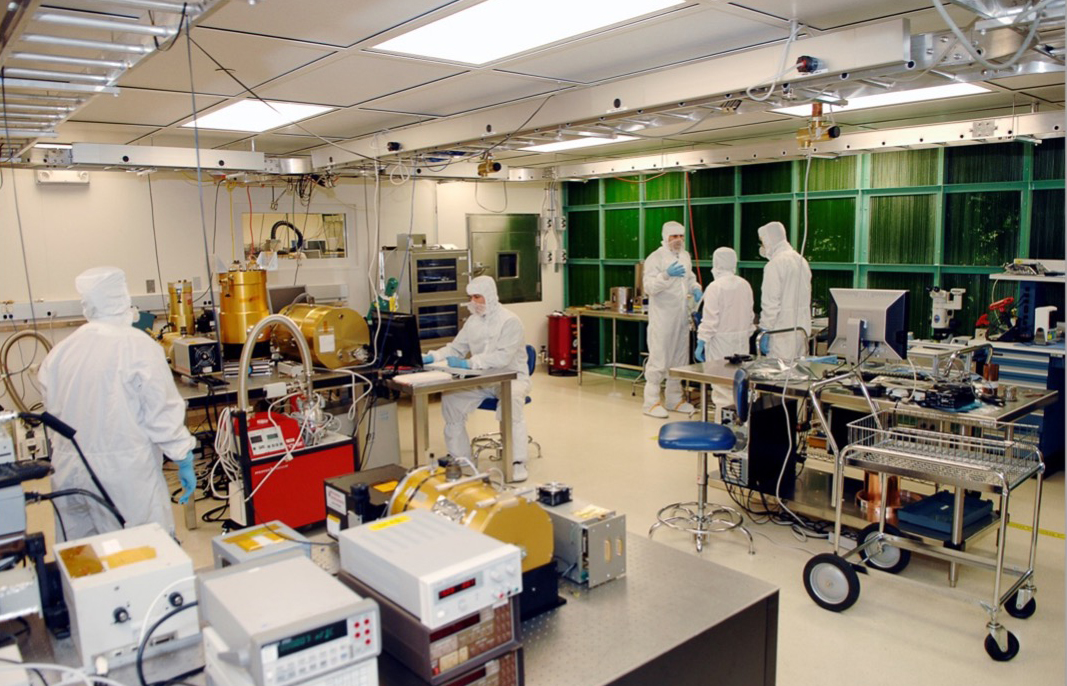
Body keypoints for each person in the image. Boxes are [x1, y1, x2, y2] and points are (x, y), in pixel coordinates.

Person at [38, 267, 196, 541]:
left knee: (82, 563)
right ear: (123, 300)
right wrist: (182, 455)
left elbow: (52, 409)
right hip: (122, 476)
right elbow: (161, 415)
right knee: (139, 556)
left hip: (69, 471)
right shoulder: (138, 346)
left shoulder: (61, 351)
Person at [422, 276, 531, 482]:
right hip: (482, 379)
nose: (473, 302)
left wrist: (470, 363)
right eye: (471, 297)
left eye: (477, 297)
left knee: (512, 401)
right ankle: (461, 457)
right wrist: (433, 355)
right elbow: (456, 348)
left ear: (489, 296)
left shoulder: (510, 321)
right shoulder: (473, 322)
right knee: (452, 398)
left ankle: (517, 462)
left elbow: (502, 358)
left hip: (511, 378)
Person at [642, 220, 702, 418]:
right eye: (674, 236)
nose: (678, 240)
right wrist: (666, 276)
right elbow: (649, 287)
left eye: (681, 236)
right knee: (659, 358)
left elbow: (690, 277)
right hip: (663, 318)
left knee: (679, 359)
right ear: (665, 237)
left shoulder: (684, 256)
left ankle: (674, 399)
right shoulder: (655, 258)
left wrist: (695, 288)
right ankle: (650, 402)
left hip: (681, 317)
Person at [694, 247, 754, 422]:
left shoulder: (715, 287)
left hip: (721, 344)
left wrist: (701, 341)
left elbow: (710, 320)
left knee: (721, 390)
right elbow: (750, 316)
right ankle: (741, 429)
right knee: (740, 387)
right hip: (742, 343)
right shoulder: (745, 284)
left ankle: (724, 431)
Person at [757, 221, 812, 361]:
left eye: (763, 242)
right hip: (801, 333)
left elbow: (770, 303)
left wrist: (765, 329)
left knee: (780, 378)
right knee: (799, 376)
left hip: (781, 333)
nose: (762, 246)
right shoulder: (801, 261)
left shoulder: (774, 265)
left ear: (770, 240)